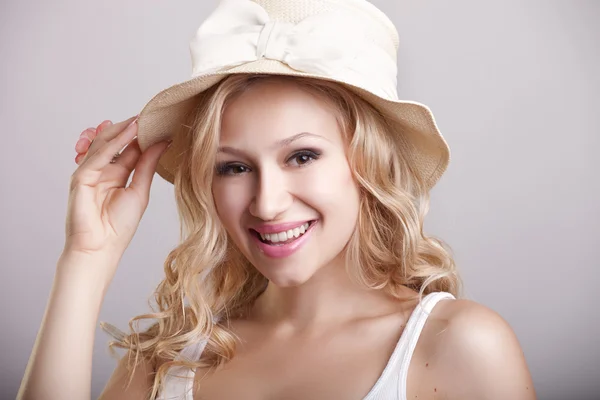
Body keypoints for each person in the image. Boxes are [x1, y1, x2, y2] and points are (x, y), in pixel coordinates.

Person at [18, 0, 537, 399]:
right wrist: (86, 258)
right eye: (235, 167)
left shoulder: (457, 346)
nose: (267, 204)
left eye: (302, 157)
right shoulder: (167, 357)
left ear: (368, 166)